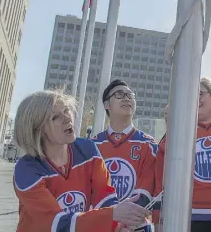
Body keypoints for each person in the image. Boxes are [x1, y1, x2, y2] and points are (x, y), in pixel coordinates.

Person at [13, 89, 151, 232]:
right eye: (55, 117)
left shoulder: (88, 150)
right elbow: (57, 224)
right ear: (37, 130)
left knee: (141, 225)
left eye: (66, 110)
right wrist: (112, 215)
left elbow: (104, 198)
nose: (67, 118)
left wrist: (119, 224)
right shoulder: (26, 170)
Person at [154, 78, 211, 232]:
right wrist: (159, 219)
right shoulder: (180, 130)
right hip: (191, 218)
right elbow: (162, 177)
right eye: (191, 95)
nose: (195, 99)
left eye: (200, 94)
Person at [93, 79, 159, 231]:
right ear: (106, 105)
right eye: (119, 94)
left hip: (136, 227)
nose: (126, 98)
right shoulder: (92, 146)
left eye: (130, 95)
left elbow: (145, 193)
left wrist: (122, 224)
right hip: (101, 225)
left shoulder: (148, 145)